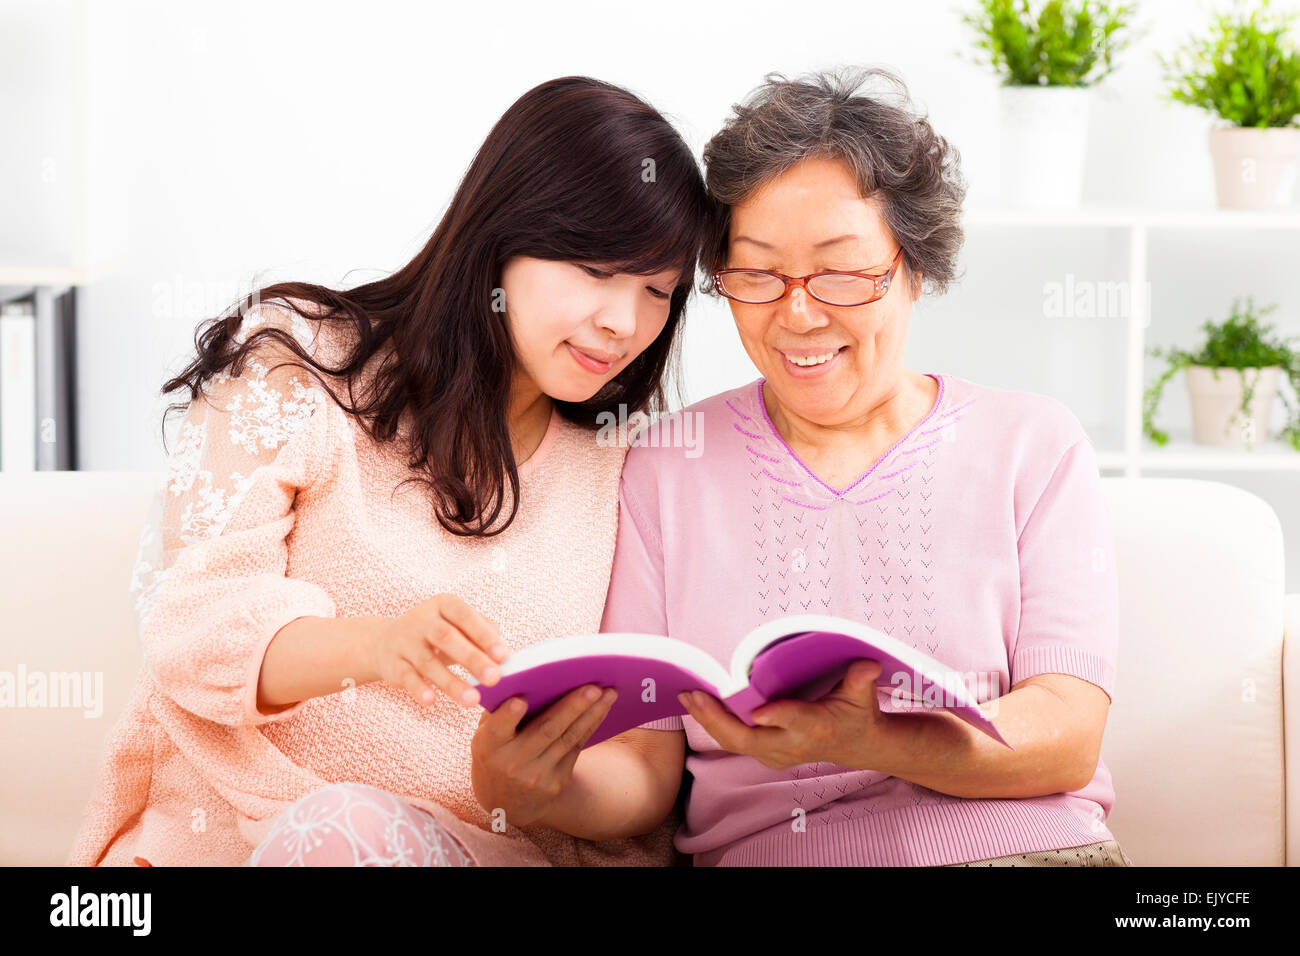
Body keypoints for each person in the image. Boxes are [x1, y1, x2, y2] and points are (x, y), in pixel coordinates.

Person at [66, 75, 713, 867]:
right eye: (596, 271)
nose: (624, 323)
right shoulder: (300, 367)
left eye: (658, 291)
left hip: (478, 854)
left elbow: (645, 757)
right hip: (236, 835)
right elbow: (194, 624)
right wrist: (377, 648)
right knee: (335, 832)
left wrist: (539, 790)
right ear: (504, 234)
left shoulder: (631, 461)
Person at [526, 66, 1133, 866]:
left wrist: (880, 742)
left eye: (841, 271)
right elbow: (645, 757)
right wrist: (538, 789)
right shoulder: (667, 469)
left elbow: (1066, 737)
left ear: (914, 267)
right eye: (758, 273)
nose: (798, 312)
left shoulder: (1034, 445)